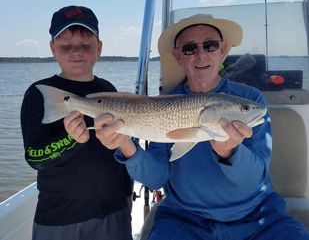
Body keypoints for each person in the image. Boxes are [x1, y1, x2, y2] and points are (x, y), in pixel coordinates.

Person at [95, 14, 309, 240]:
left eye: (210, 45)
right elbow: (156, 179)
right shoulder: (162, 105)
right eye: (189, 48)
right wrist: (125, 145)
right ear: (178, 56)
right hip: (184, 220)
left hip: (258, 218)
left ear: (222, 50)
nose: (201, 54)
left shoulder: (249, 101)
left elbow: (253, 181)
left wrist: (230, 152)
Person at [20, 5, 133, 240]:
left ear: (99, 48)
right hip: (58, 218)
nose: (76, 52)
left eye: (85, 45)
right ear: (53, 48)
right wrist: (70, 141)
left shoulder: (108, 90)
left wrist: (127, 194)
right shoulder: (38, 93)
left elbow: (120, 147)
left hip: (112, 213)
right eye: (66, 46)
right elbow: (35, 157)